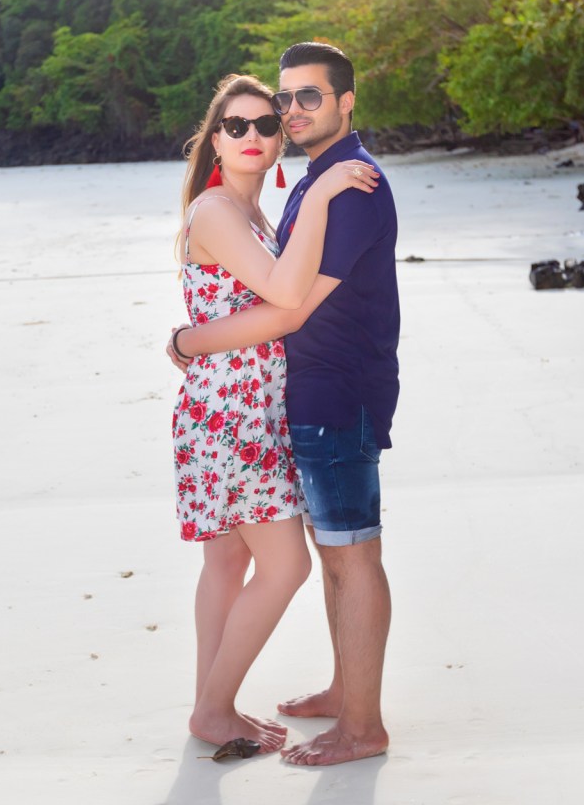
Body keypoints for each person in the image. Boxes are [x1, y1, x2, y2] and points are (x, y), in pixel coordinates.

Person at [168, 43, 398, 767]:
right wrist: (193, 341)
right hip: (237, 411)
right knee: (283, 564)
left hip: (277, 400)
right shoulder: (236, 208)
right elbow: (286, 298)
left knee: (263, 561)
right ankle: (215, 705)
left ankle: (228, 705)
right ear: (213, 139)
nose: (262, 132)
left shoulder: (303, 195)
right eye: (237, 126)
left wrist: (190, 338)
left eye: (268, 121)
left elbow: (288, 303)